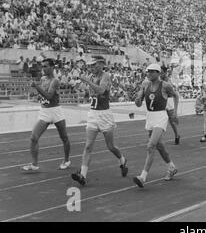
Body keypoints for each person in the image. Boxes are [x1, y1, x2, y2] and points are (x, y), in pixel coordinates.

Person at [71, 56, 128, 186]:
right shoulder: (91, 76)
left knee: (110, 146)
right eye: (91, 65)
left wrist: (87, 82)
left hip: (104, 115)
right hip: (92, 114)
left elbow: (101, 90)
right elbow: (90, 92)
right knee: (88, 146)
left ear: (102, 64)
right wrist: (80, 85)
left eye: (94, 65)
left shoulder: (106, 76)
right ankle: (83, 175)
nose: (92, 67)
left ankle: (122, 160)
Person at [132, 63, 179, 187]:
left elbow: (176, 95)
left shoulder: (165, 85)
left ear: (158, 73)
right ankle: (172, 167)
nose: (148, 74)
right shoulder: (145, 84)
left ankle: (143, 176)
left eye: (152, 72)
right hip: (150, 117)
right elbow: (138, 102)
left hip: (160, 117)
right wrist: (137, 100)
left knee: (151, 145)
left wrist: (175, 112)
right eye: (147, 71)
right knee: (160, 146)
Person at [22, 58, 71, 171]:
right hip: (45, 111)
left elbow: (49, 96)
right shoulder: (43, 79)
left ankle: (67, 160)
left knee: (64, 137)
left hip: (56, 111)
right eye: (42, 66)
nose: (43, 68)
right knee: (34, 137)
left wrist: (36, 87)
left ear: (52, 67)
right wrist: (37, 95)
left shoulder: (55, 80)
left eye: (45, 66)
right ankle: (34, 164)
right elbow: (44, 95)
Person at [161, 67, 181, 144]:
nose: (161, 74)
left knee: (172, 121)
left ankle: (176, 135)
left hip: (169, 102)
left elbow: (174, 94)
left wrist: (175, 111)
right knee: (160, 120)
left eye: (162, 72)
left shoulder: (169, 82)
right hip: (162, 101)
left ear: (165, 73)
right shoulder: (159, 80)